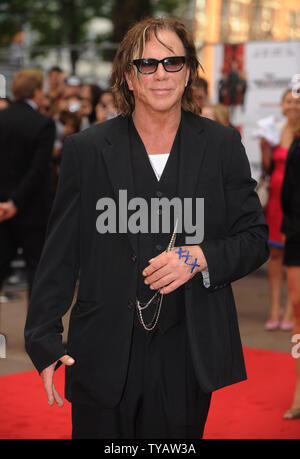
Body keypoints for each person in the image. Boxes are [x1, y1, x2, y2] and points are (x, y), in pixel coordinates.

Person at [24, 18, 269, 439]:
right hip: (101, 348)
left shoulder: (223, 144)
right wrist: (43, 339)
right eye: (147, 64)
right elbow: (60, 252)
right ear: (128, 77)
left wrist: (200, 256)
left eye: (172, 62)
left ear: (189, 71)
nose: (160, 74)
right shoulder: (86, 150)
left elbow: (255, 239)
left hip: (188, 351)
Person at [0, 69, 56, 300]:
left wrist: (6, 203)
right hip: (32, 210)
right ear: (36, 92)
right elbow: (38, 170)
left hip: (1, 209)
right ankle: (36, 335)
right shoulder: (43, 124)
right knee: (37, 271)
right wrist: (16, 202)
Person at [262, 89, 300, 330]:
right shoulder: (275, 131)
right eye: (289, 101)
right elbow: (267, 167)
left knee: (293, 257)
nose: (293, 106)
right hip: (275, 202)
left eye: (297, 102)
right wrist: (265, 148)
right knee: (275, 257)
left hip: (294, 206)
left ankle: (291, 311)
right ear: (282, 105)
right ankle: (275, 308)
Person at [281, 119, 300, 420]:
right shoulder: (296, 136)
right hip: (297, 232)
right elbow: (290, 187)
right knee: (298, 310)